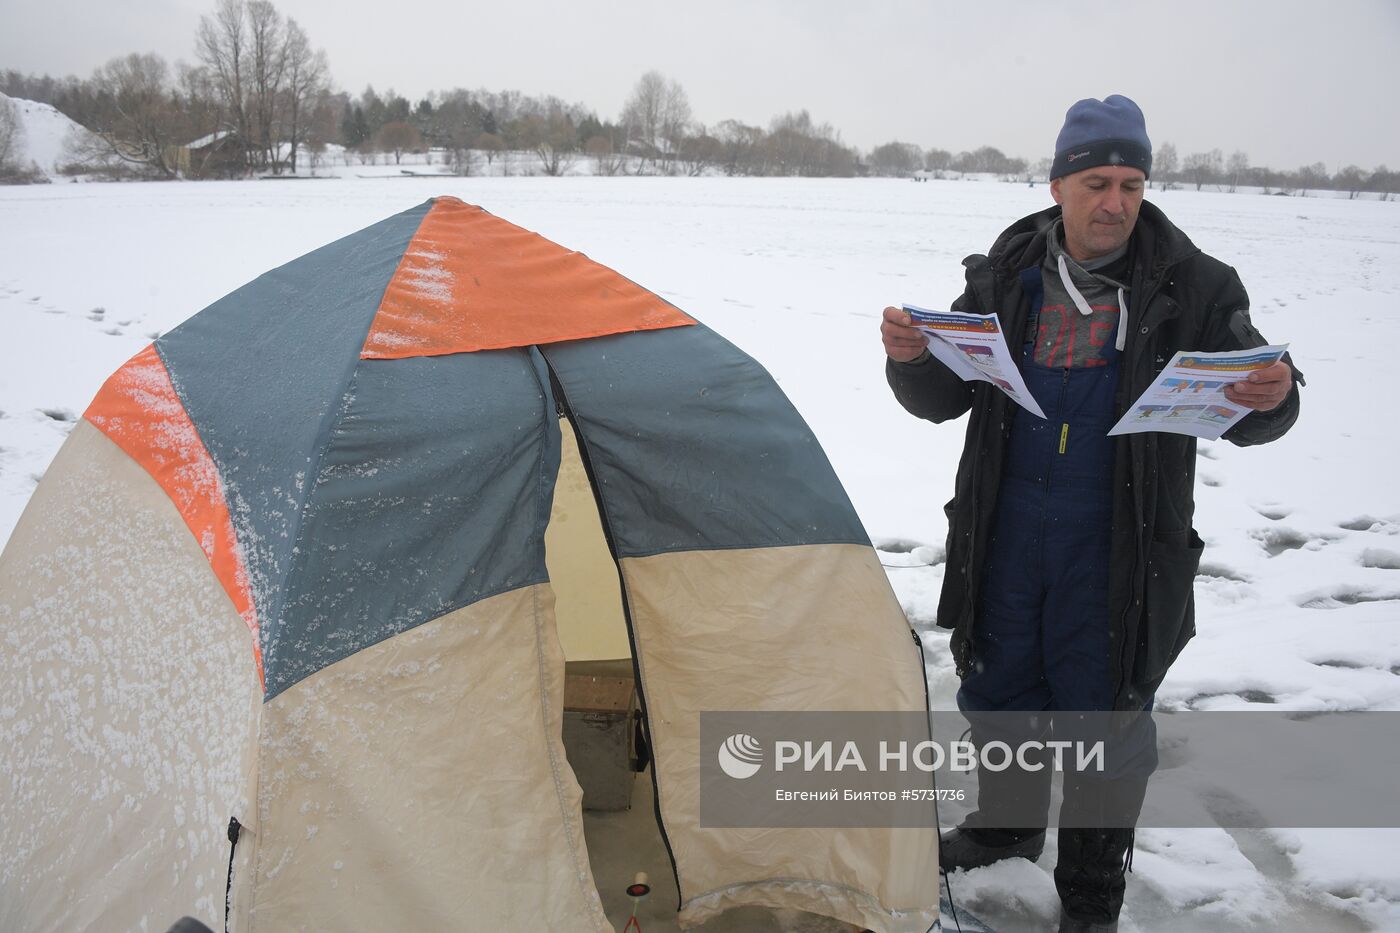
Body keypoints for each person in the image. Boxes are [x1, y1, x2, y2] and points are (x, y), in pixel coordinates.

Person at [880, 95, 1301, 932]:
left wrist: (1275, 396)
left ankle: (1092, 894)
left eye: (1133, 183)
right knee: (1000, 691)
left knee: (1103, 718)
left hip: (1120, 550)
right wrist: (911, 361)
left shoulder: (1197, 285)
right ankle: (1003, 824)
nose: (1116, 202)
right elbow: (944, 399)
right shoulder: (1006, 271)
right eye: (1098, 181)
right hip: (1004, 535)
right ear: (1059, 184)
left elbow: (1257, 408)